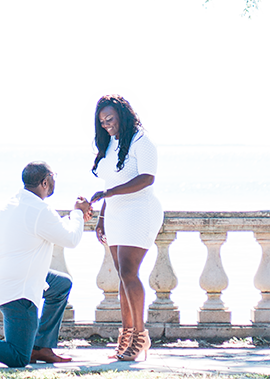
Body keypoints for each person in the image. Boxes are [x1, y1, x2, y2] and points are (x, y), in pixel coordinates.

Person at [0, 161, 94, 368]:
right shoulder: (40, 210)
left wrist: (73, 218)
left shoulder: (14, 202)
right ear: (45, 182)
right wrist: (78, 213)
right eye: (53, 176)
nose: (55, 180)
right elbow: (71, 239)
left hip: (6, 277)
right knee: (19, 357)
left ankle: (41, 347)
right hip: (19, 289)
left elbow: (49, 227)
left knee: (61, 285)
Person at [88, 94, 163, 362]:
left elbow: (147, 178)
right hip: (116, 214)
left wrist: (109, 193)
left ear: (122, 115)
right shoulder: (111, 143)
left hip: (139, 211)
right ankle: (128, 335)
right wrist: (102, 216)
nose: (106, 125)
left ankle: (140, 337)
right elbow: (110, 183)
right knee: (123, 276)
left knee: (129, 272)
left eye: (110, 119)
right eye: (102, 121)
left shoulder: (141, 141)